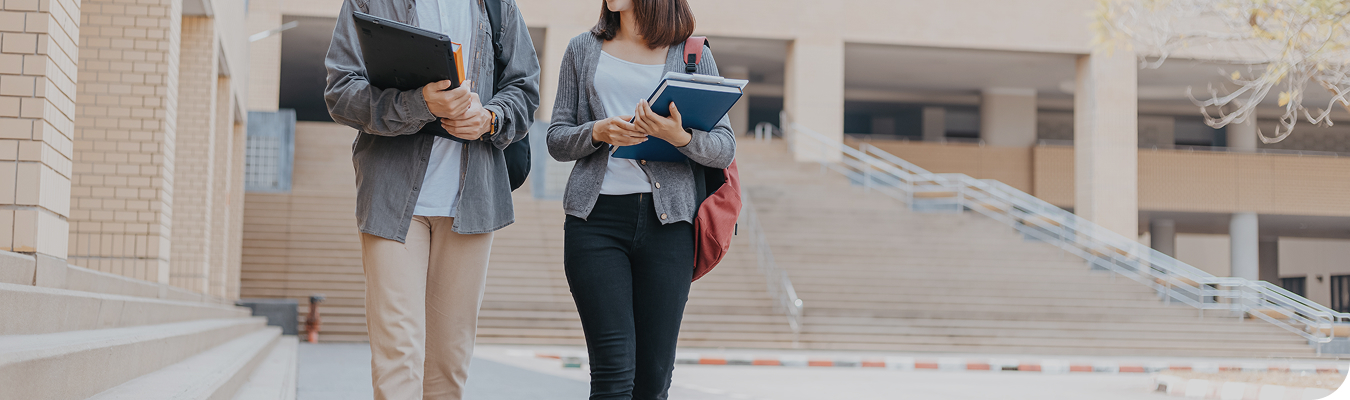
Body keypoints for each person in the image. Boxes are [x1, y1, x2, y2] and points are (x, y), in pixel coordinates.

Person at [322, 0, 540, 398]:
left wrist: (489, 118)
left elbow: (524, 89)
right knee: (397, 357)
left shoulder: (496, 5)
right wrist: (420, 104)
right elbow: (341, 91)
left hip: (471, 201)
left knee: (448, 365)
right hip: (391, 197)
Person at [546, 0, 735, 398]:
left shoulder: (691, 54)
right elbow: (556, 138)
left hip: (668, 228)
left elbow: (724, 147)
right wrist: (598, 131)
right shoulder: (583, 48)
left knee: (652, 380)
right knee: (613, 373)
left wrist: (678, 137)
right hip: (595, 222)